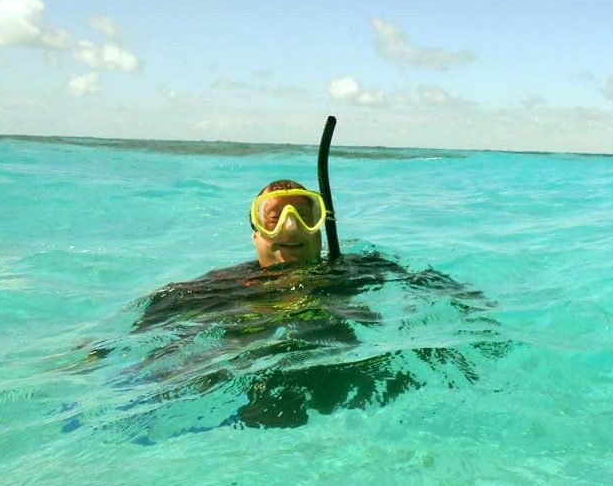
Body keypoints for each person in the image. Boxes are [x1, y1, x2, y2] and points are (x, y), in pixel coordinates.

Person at [68, 179, 508, 439]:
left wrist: (472, 309)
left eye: (304, 215)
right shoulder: (225, 283)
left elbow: (427, 281)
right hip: (243, 369)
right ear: (255, 233)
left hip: (333, 366)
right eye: (274, 218)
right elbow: (161, 307)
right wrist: (102, 347)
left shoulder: (358, 267)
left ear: (322, 228)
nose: (290, 228)